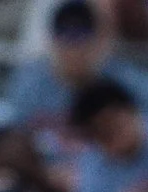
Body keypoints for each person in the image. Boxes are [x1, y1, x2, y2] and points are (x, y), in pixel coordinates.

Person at [6, 0, 111, 144]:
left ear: (98, 42)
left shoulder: (118, 83)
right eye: (66, 35)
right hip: (42, 164)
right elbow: (15, 140)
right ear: (53, 41)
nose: (74, 48)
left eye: (81, 36)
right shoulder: (30, 84)